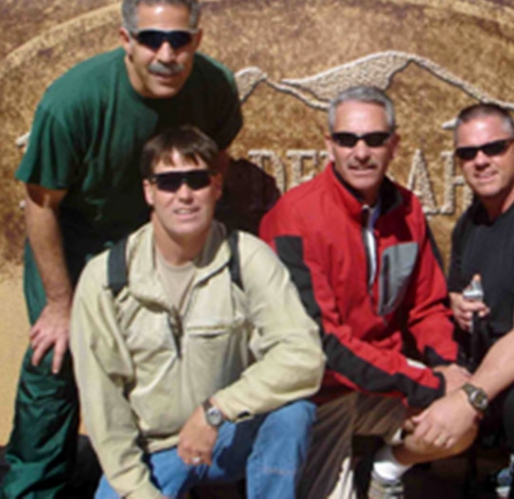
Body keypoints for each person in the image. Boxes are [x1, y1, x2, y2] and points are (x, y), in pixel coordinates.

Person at [1, 0, 244, 499]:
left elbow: (215, 156)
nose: (166, 54)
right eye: (151, 39)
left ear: (196, 41)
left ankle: (145, 473)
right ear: (125, 40)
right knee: (56, 360)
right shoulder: (74, 101)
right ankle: (32, 487)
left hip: (152, 241)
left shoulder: (215, 86)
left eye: (179, 40)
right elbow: (41, 202)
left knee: (156, 353)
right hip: (75, 236)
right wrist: (60, 303)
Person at [70, 126, 324, 499]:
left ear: (216, 187)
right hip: (152, 453)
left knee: (293, 414)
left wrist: (216, 410)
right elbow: (104, 404)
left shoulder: (248, 258)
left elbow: (303, 356)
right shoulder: (106, 280)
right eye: (169, 183)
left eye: (197, 180)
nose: (184, 195)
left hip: (228, 435)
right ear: (149, 192)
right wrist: (138, 491)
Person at [259, 86, 473, 499]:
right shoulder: (294, 217)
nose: (361, 152)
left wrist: (446, 365)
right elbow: (326, 344)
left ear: (394, 145)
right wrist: (427, 383)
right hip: (319, 392)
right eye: (347, 139)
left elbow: (426, 306)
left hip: (386, 384)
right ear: (329, 145)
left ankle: (386, 469)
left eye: (374, 139)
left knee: (460, 423)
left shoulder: (407, 209)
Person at [412, 103, 514, 498]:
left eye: (493, 148)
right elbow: (455, 289)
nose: (480, 161)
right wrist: (457, 305)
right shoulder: (471, 223)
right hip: (482, 361)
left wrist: (471, 396)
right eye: (468, 153)